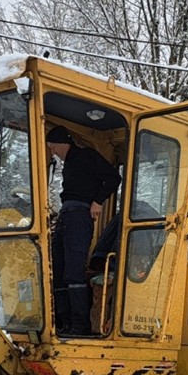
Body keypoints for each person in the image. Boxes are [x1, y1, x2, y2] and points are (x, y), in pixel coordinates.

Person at [46, 127, 121, 337]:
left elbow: (114, 177)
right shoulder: (68, 164)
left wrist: (97, 201)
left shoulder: (87, 156)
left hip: (80, 214)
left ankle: (80, 324)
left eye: (53, 147)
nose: (53, 152)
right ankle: (63, 321)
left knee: (73, 270)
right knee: (58, 269)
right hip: (65, 214)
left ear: (63, 143)